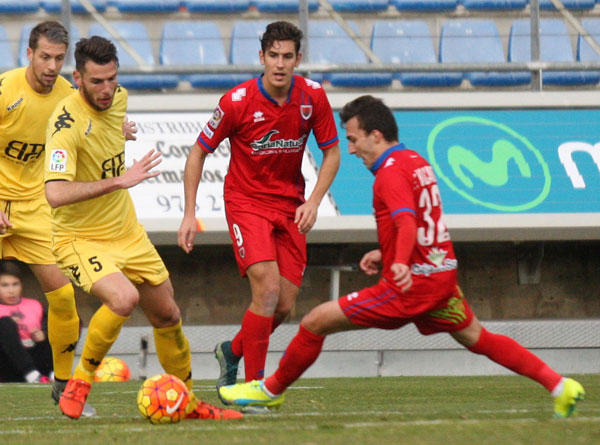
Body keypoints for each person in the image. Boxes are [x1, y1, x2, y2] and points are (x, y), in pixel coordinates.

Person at [218, 95, 585, 419]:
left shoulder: (389, 174)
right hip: (440, 278)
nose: (351, 148)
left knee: (315, 321)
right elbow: (419, 221)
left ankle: (268, 391)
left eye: (353, 139)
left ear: (375, 135)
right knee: (478, 337)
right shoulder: (415, 160)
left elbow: (406, 220)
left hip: (409, 285)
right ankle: (559, 385)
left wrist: (397, 262)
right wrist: (388, 250)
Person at [44, 35, 242, 421]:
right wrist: (120, 180)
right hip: (79, 237)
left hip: (126, 231)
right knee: (122, 299)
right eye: (97, 81)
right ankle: (79, 382)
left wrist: (122, 131)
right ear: (77, 78)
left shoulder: (118, 99)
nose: (106, 89)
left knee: (167, 315)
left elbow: (106, 126)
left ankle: (188, 404)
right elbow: (54, 194)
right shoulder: (64, 125)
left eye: (112, 79)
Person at [178, 21, 341, 397]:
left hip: (291, 207)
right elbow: (198, 151)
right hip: (246, 203)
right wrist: (190, 213)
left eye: (287, 56)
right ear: (261, 57)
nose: (280, 64)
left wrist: (314, 201)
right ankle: (254, 386)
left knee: (282, 306)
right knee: (266, 290)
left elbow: (332, 151)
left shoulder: (312, 97)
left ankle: (230, 351)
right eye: (273, 56)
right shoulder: (236, 102)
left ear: (298, 59)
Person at [0, 21, 123, 415]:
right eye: (45, 57)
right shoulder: (5, 91)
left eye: (58, 58)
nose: (51, 65)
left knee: (64, 297)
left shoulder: (70, 97)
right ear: (29, 55)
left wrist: (123, 129)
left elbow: (96, 126)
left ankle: (64, 385)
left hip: (36, 208)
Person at [0, 261, 53, 383]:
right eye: (5, 285)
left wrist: (42, 335)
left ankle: (55, 374)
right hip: (8, 366)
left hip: (36, 358)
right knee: (5, 323)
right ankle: (31, 374)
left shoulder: (35, 305)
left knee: (62, 320)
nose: (11, 291)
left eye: (15, 284)